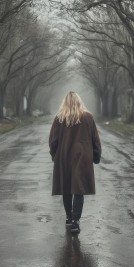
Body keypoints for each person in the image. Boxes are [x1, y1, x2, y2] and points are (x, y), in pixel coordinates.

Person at [49, 91, 101, 234]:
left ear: (64, 102)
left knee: (66, 187)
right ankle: (75, 221)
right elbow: (95, 139)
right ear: (79, 102)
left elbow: (53, 141)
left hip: (64, 156)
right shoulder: (88, 117)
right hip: (82, 157)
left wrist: (54, 155)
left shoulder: (59, 118)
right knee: (79, 188)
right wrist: (96, 156)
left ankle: (69, 217)